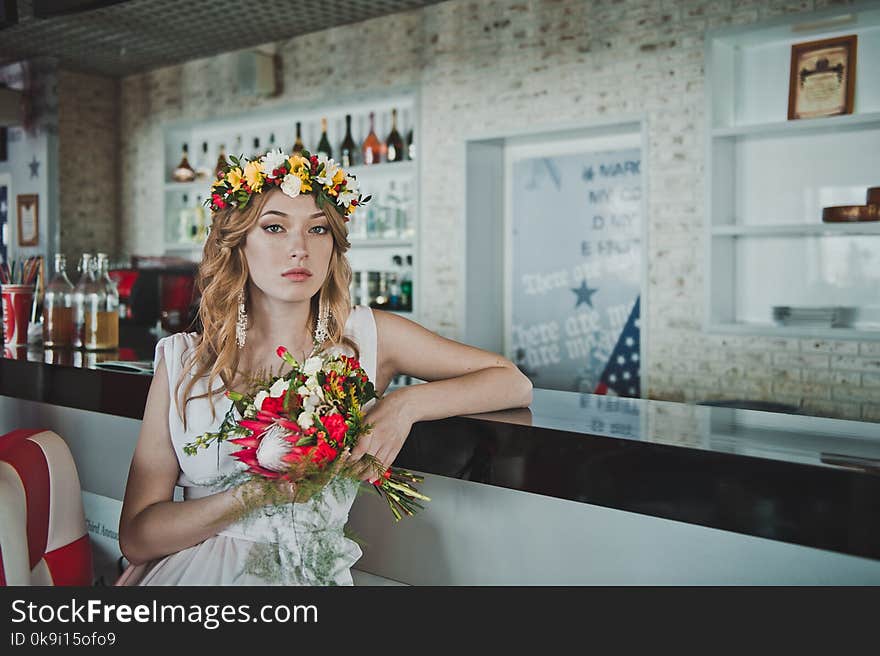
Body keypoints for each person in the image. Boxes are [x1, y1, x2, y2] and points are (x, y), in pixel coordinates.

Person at [117, 149, 532, 585]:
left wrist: (405, 405)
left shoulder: (369, 336)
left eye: (317, 229)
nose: (300, 248)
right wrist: (250, 497)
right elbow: (137, 537)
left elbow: (513, 382)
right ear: (237, 243)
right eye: (275, 227)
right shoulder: (183, 360)